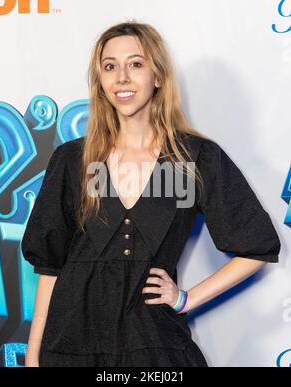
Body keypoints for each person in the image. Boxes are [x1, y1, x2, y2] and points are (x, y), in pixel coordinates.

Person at [22, 21, 281, 367]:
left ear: (157, 76)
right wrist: (34, 352)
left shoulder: (194, 158)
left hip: (155, 346)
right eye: (110, 66)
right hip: (71, 346)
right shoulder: (73, 160)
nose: (122, 77)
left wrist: (186, 299)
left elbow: (257, 247)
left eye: (136, 64)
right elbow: (50, 266)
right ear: (100, 81)